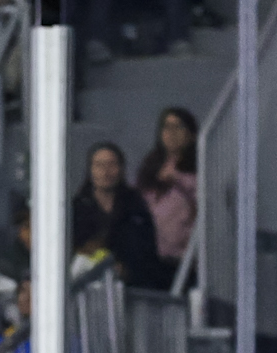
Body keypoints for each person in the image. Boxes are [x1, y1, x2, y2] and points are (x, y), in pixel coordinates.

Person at [72, 142, 166, 292]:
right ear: (90, 170)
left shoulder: (135, 205)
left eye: (112, 164)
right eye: (99, 165)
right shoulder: (77, 208)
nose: (106, 171)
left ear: (121, 168)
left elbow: (148, 253)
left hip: (132, 289)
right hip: (85, 289)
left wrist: (127, 270)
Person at [137, 107, 199, 281]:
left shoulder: (199, 167)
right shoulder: (150, 165)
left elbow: (203, 197)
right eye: (167, 127)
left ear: (191, 135)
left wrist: (177, 178)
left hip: (184, 260)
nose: (171, 132)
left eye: (178, 127)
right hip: (151, 256)